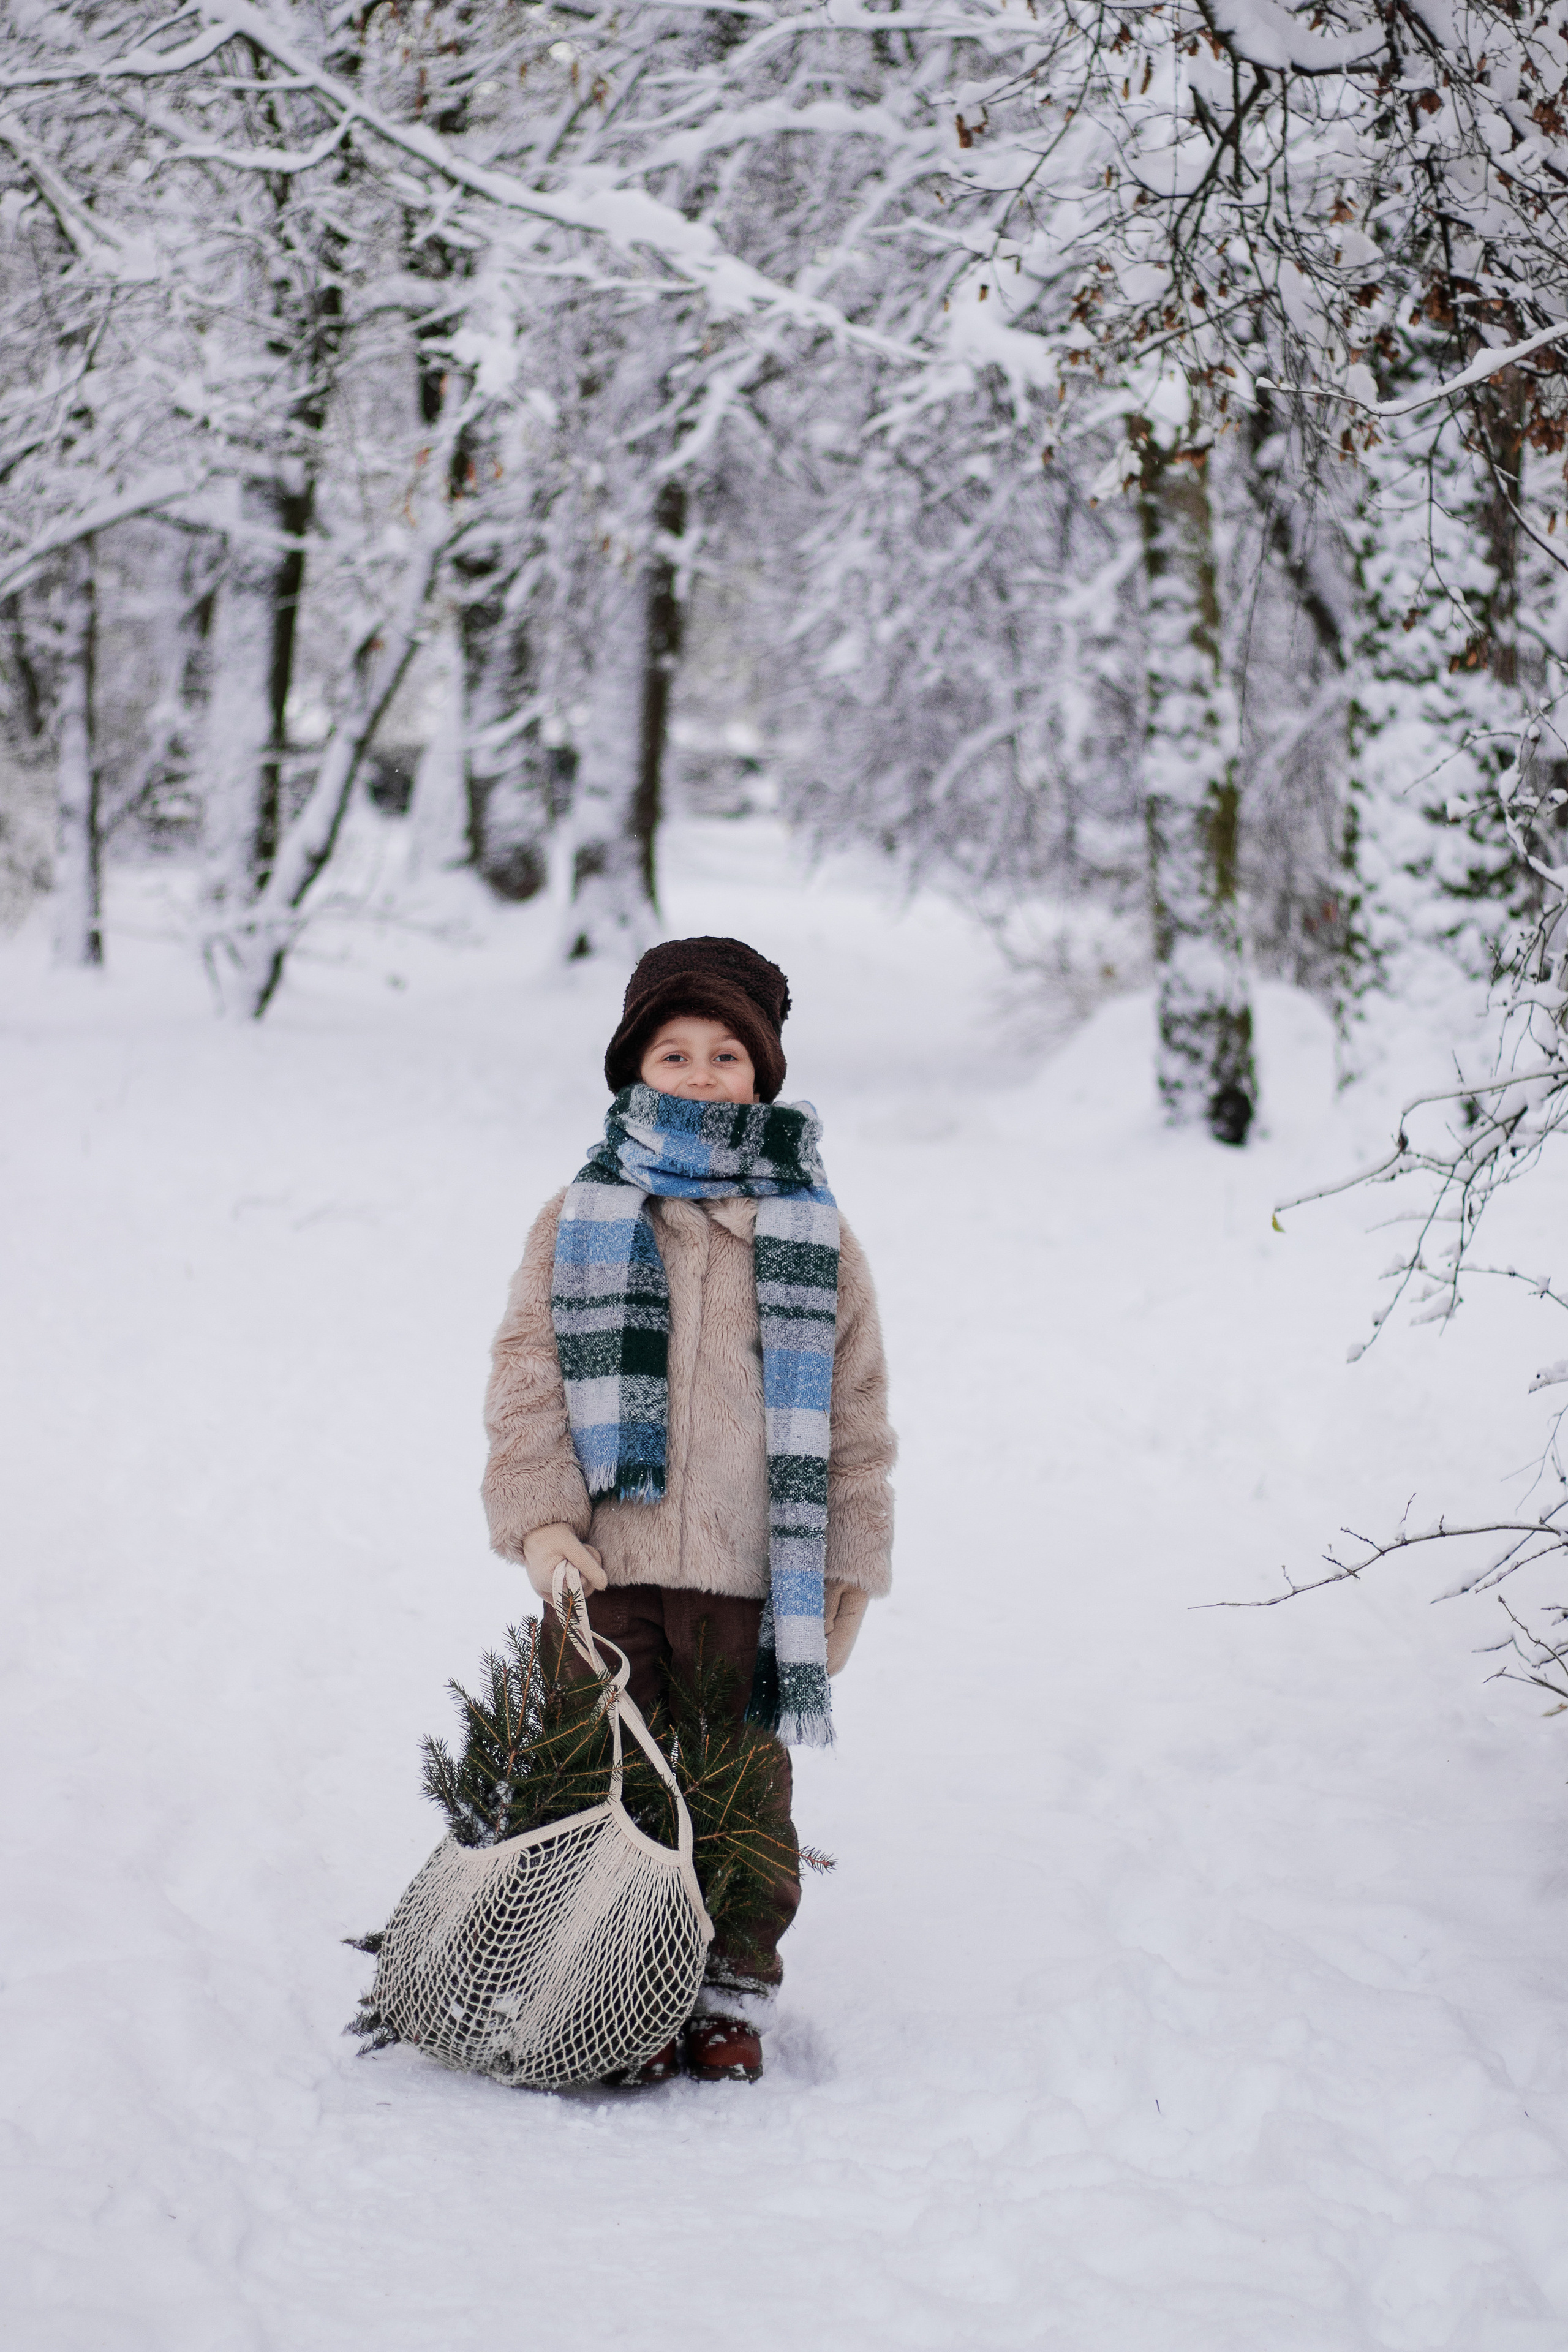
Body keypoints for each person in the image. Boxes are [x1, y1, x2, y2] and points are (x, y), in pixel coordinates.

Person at [481, 934, 895, 2083]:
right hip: (605, 1563)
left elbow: (855, 1408)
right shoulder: (584, 1215)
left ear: (762, 1071)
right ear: (633, 1069)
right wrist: (541, 1517)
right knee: (594, 1768)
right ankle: (597, 1977)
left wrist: (848, 1564)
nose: (702, 1074)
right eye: (675, 1053)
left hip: (752, 1568)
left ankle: (724, 1991)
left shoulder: (814, 1233)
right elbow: (529, 1373)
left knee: (737, 1779)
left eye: (727, 1054)